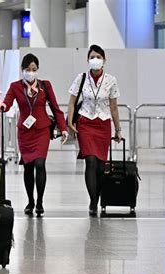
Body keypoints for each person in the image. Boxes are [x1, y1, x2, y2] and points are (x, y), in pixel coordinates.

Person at [1, 53, 68, 216]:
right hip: (25, 132)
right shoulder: (15, 86)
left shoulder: (45, 86)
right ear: (22, 69)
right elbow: (8, 101)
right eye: (27, 69)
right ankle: (30, 200)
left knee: (40, 163)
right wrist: (3, 105)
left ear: (37, 70)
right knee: (28, 167)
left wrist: (63, 127)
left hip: (42, 130)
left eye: (34, 69)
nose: (30, 72)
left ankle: (40, 202)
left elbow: (55, 108)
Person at [67, 44, 122, 217]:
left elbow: (113, 107)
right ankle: (92, 201)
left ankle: (97, 197)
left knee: (100, 167)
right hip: (85, 123)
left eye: (98, 57)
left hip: (103, 124)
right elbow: (72, 102)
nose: (95, 60)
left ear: (104, 60)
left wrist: (118, 129)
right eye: (92, 57)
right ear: (88, 60)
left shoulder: (111, 80)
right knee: (90, 161)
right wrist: (70, 122)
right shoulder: (81, 78)